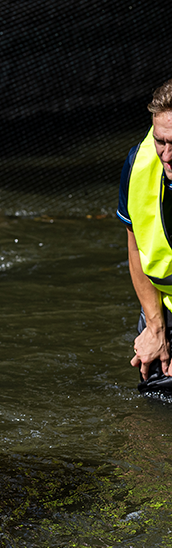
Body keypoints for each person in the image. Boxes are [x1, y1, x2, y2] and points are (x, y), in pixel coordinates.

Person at [118, 77, 172, 392]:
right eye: (160, 141)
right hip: (163, 305)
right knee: (157, 393)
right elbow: (135, 248)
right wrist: (155, 327)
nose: (166, 156)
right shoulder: (139, 164)